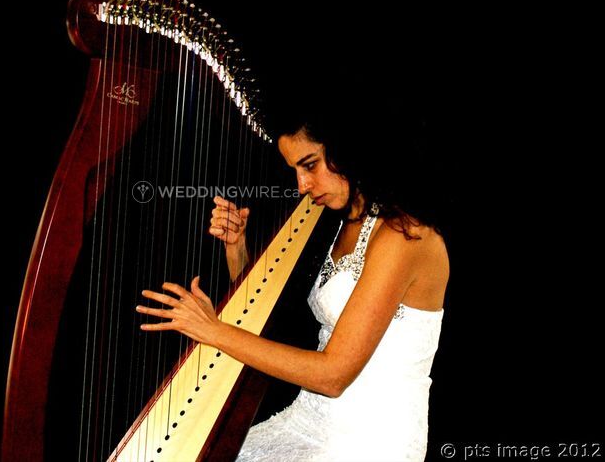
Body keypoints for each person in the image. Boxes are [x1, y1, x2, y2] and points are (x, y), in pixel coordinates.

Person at [135, 95, 450, 461]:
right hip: (310, 422)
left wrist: (212, 329)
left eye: (310, 164)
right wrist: (238, 250)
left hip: (372, 439)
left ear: (348, 148)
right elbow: (274, 327)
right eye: (296, 170)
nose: (302, 184)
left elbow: (333, 376)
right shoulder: (339, 220)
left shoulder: (404, 235)